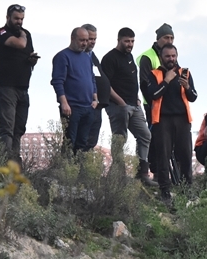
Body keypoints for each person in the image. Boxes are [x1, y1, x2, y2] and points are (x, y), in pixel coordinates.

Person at [145, 43, 197, 207]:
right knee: (163, 156)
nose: (171, 59)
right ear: (161, 57)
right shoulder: (155, 74)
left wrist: (187, 87)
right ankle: (165, 192)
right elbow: (153, 95)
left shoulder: (185, 73)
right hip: (163, 120)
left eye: (173, 56)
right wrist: (167, 81)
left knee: (185, 155)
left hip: (182, 119)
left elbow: (193, 96)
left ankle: (187, 190)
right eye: (167, 56)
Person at [101, 27, 154, 184]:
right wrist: (120, 102)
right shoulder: (110, 58)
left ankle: (142, 173)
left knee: (145, 135)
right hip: (118, 106)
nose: (130, 44)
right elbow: (106, 85)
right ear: (119, 40)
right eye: (126, 41)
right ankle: (118, 174)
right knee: (119, 139)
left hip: (134, 105)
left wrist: (136, 99)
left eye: (132, 41)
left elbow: (131, 81)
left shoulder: (130, 57)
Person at [0, 4, 39, 162]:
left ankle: (14, 158)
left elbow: (27, 52)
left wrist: (32, 60)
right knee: (7, 128)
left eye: (22, 19)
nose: (19, 22)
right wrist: (23, 36)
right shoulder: (1, 33)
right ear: (8, 18)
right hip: (6, 86)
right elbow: (20, 44)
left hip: (23, 87)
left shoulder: (27, 35)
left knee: (19, 128)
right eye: (16, 18)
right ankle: (5, 161)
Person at [50, 27, 98, 153]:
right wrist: (64, 103)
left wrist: (95, 98)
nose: (84, 43)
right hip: (72, 107)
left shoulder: (87, 58)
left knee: (83, 143)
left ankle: (79, 170)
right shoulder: (62, 56)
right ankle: (66, 170)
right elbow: (57, 81)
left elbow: (91, 78)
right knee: (69, 142)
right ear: (73, 39)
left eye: (86, 40)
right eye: (81, 40)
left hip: (88, 107)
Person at [83, 23, 110, 151]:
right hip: (85, 105)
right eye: (90, 39)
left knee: (92, 141)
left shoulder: (92, 56)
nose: (92, 42)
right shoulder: (77, 56)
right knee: (82, 140)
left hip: (97, 105)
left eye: (94, 39)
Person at [139, 23, 174, 116]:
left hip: (170, 105)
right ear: (158, 39)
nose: (169, 41)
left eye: (172, 38)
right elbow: (144, 83)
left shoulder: (171, 56)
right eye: (166, 38)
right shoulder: (147, 57)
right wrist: (152, 104)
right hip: (153, 104)